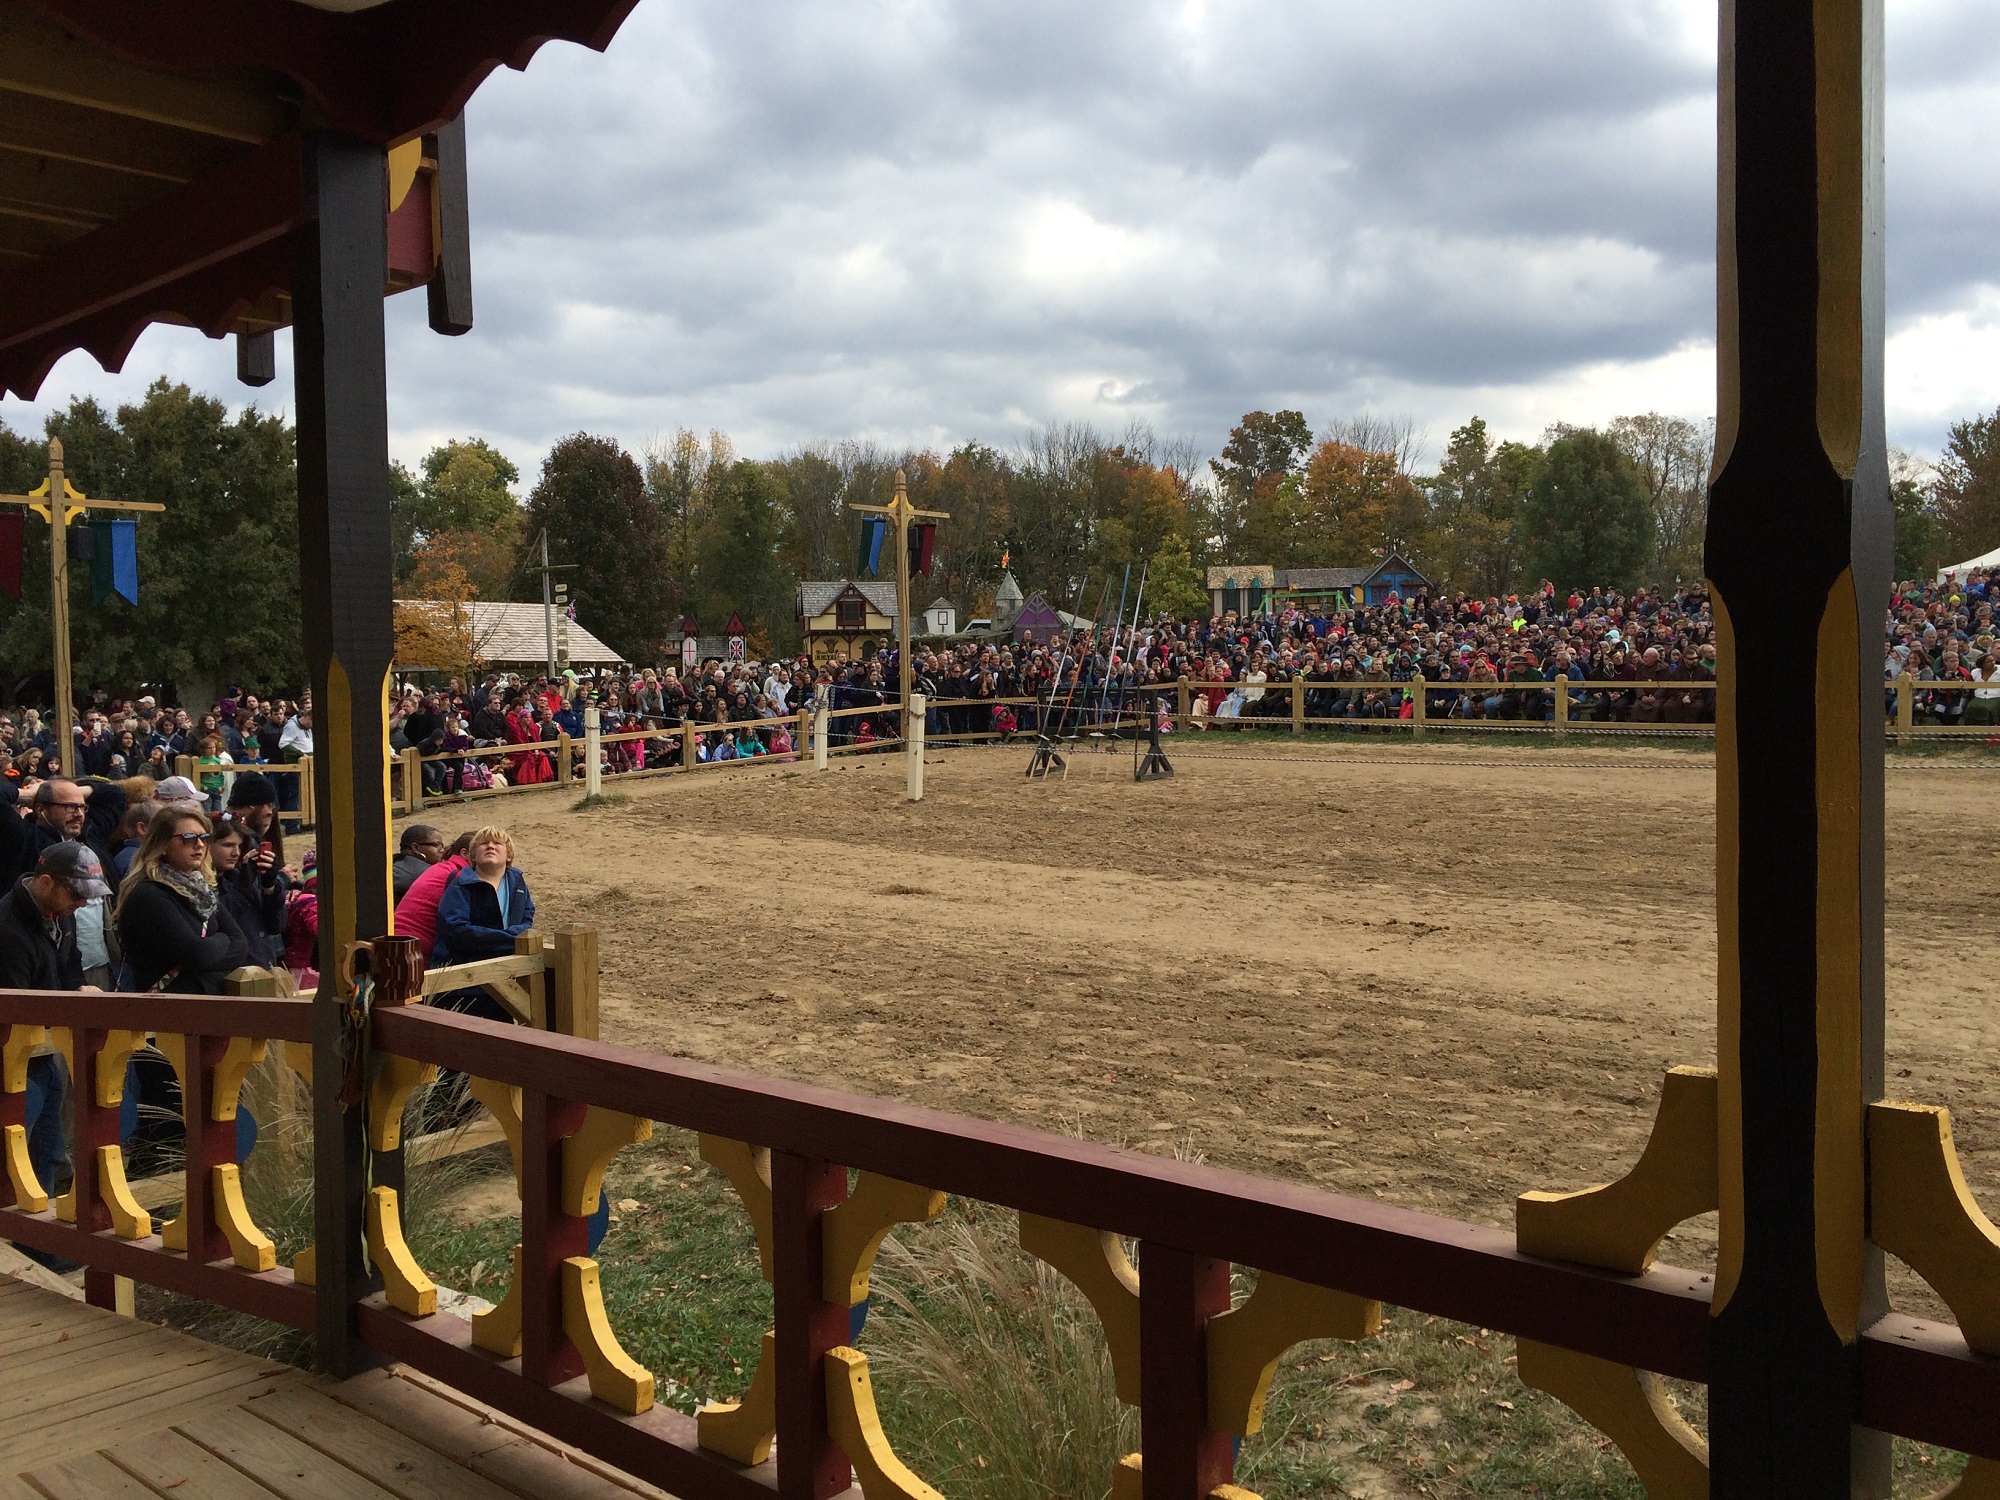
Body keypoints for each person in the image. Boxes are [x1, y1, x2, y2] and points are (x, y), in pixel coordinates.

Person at [0, 844, 112, 1210]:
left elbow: (70, 968)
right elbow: (18, 1005)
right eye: (77, 894)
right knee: (10, 1160)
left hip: (44, 1055)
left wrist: (79, 991)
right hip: (12, 1060)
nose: (82, 904)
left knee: (46, 1152)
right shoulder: (8, 928)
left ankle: (42, 1247)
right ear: (46, 882)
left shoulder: (61, 914)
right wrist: (71, 1000)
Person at [114, 807, 250, 994]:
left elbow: (241, 944)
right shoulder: (147, 894)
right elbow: (197, 954)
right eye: (188, 838)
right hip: (168, 1009)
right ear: (161, 845)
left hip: (205, 1005)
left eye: (204, 838)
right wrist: (222, 939)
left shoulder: (202, 890)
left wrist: (208, 951)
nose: (200, 845)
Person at [431, 827, 535, 1016]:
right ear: (472, 856)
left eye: (497, 843)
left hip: (506, 980)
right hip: (461, 984)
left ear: (509, 855)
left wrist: (506, 938)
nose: (490, 846)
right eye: (483, 843)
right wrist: (509, 939)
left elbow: (526, 924)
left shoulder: (518, 883)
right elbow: (457, 932)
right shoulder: (460, 883)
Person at [208, 820, 286, 969]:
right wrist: (243, 886)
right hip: (229, 977)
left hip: (263, 969)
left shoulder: (240, 876)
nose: (236, 852)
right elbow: (220, 923)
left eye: (239, 846)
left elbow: (276, 925)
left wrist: (269, 886)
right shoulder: (200, 884)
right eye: (227, 845)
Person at [394, 830, 474, 957]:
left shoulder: (442, 868)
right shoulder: (458, 876)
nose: (441, 850)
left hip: (400, 942)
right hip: (416, 951)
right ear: (464, 853)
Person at [394, 824, 446, 903]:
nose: (442, 850)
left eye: (442, 846)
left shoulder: (395, 861)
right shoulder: (423, 874)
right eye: (436, 845)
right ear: (415, 848)